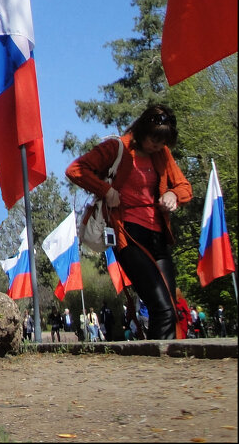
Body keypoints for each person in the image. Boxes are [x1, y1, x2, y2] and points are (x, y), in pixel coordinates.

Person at [67, 104, 192, 340]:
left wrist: (173, 195)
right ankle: (164, 361)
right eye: (154, 139)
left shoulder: (162, 154)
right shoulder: (118, 147)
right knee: (162, 307)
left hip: (159, 237)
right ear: (142, 129)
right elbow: (75, 169)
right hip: (129, 236)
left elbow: (185, 187)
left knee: (170, 308)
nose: (157, 145)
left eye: (162, 141)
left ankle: (161, 360)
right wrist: (106, 190)